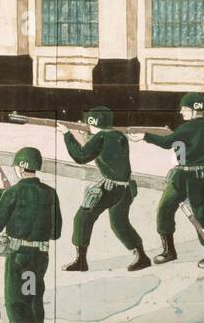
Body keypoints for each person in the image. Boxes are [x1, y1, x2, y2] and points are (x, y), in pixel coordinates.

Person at [0, 146, 63, 323]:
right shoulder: (50, 193)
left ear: (20, 168)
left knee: (16, 301)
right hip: (39, 257)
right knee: (34, 297)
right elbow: (56, 232)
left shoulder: (12, 193)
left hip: (19, 257)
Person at [129, 93, 204, 267]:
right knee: (165, 208)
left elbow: (167, 141)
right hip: (182, 176)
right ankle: (169, 251)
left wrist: (145, 136)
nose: (181, 112)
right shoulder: (194, 127)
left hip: (195, 178)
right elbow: (177, 143)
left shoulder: (193, 127)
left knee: (201, 215)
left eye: (185, 109)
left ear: (195, 110)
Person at [61, 106, 150, 273]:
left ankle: (81, 261)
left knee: (82, 218)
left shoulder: (101, 136)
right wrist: (85, 136)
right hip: (125, 188)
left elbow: (81, 156)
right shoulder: (116, 135)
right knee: (119, 223)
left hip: (111, 188)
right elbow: (101, 151)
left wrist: (67, 135)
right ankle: (142, 257)